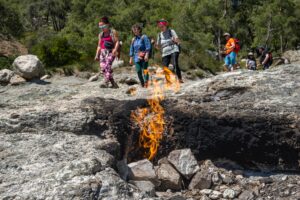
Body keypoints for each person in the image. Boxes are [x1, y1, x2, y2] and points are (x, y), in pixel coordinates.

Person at [95, 16, 119, 88]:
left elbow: (117, 41)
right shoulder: (100, 35)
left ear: (107, 25)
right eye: (100, 26)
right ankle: (113, 83)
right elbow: (99, 46)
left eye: (103, 26)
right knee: (103, 67)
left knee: (107, 65)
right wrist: (97, 55)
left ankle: (106, 82)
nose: (102, 27)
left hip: (111, 52)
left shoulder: (113, 32)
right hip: (102, 53)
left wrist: (115, 49)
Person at [156, 19, 183, 83]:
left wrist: (175, 40)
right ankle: (168, 82)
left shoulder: (171, 31)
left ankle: (179, 79)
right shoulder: (159, 35)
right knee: (165, 67)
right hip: (165, 52)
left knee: (175, 64)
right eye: (160, 27)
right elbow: (158, 47)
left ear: (165, 26)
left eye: (162, 26)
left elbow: (178, 40)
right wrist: (154, 44)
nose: (161, 28)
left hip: (173, 49)